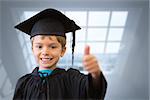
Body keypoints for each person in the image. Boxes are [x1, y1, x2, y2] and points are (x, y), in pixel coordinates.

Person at [13, 8, 107, 100]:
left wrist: (95, 74)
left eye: (53, 47)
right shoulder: (24, 83)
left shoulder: (71, 79)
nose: (45, 52)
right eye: (39, 47)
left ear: (62, 51)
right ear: (32, 49)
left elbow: (92, 90)